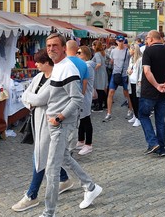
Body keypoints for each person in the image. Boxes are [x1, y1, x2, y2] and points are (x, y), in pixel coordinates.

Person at [41, 33, 102, 216]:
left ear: (63, 48)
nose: (51, 49)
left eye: (55, 45)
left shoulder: (68, 68)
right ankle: (90, 186)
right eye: (49, 45)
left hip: (61, 124)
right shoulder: (58, 66)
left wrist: (58, 117)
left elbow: (76, 99)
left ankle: (48, 212)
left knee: (52, 169)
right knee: (65, 157)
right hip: (55, 123)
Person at [11, 49, 73, 212]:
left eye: (38, 61)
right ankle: (65, 178)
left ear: (47, 63)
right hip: (37, 121)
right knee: (45, 155)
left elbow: (39, 98)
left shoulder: (56, 78)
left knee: (39, 156)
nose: (35, 64)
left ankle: (32, 195)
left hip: (49, 123)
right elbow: (26, 95)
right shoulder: (39, 76)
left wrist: (32, 100)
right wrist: (33, 101)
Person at [139, 30, 165, 157]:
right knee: (160, 120)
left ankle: (153, 142)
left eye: (147, 38)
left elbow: (147, 71)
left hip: (149, 92)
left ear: (151, 39)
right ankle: (161, 148)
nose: (146, 40)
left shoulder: (148, 51)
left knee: (143, 115)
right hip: (164, 92)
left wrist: (156, 85)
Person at [103, 35, 131, 122]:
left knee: (127, 93)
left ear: (124, 41)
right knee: (111, 92)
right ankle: (109, 113)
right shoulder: (113, 51)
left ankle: (130, 110)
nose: (121, 42)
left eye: (122, 41)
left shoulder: (127, 52)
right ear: (116, 42)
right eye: (119, 41)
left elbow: (131, 62)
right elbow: (112, 61)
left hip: (124, 75)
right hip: (115, 74)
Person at [75, 45, 95, 155]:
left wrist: (81, 95)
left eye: (79, 53)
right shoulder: (85, 65)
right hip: (84, 94)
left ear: (85, 55)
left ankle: (88, 144)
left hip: (85, 95)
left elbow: (84, 82)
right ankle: (81, 140)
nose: (77, 54)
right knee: (82, 118)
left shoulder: (87, 66)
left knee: (86, 118)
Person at [127, 43, 143, 127]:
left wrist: (140, 80)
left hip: (137, 83)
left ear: (134, 50)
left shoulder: (140, 59)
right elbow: (129, 68)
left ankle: (138, 118)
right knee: (132, 99)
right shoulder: (131, 59)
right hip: (131, 81)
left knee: (136, 100)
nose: (129, 50)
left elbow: (141, 71)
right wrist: (128, 71)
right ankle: (135, 115)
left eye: (130, 49)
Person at [91, 41, 108, 111]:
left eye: (92, 45)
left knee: (99, 90)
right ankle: (106, 104)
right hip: (103, 73)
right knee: (101, 89)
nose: (92, 47)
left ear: (95, 46)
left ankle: (100, 106)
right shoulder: (102, 53)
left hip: (99, 73)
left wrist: (93, 70)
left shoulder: (97, 54)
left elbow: (99, 64)